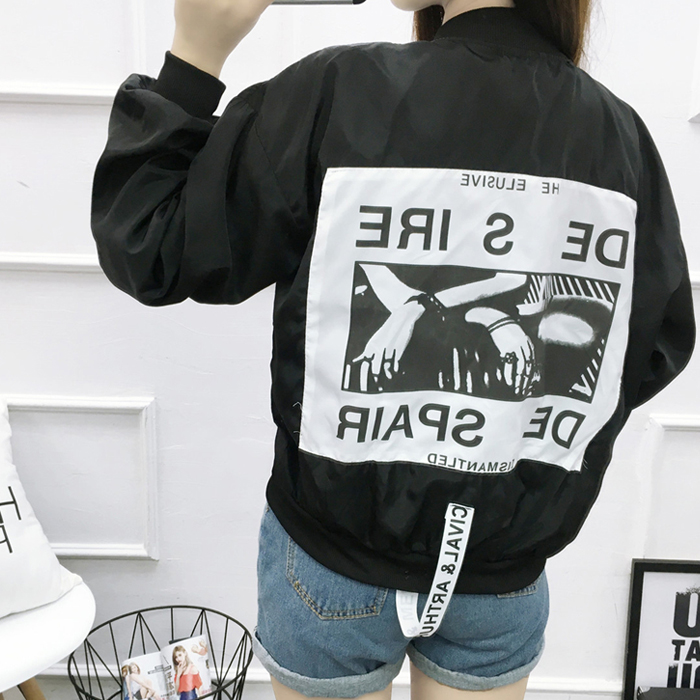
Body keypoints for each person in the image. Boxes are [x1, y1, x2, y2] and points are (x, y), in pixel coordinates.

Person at [91, 0, 695, 698]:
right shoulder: (617, 135)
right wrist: (508, 428)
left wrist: (194, 55)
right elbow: (651, 344)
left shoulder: (337, 93)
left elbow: (152, 245)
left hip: (331, 565)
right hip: (498, 571)